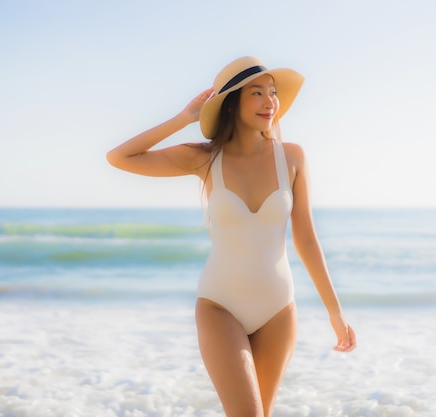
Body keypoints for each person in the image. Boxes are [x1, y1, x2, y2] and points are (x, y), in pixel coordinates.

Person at [106, 56, 356, 417]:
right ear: (231, 103)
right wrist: (184, 118)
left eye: (273, 93)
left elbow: (307, 240)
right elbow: (120, 157)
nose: (270, 102)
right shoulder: (204, 159)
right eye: (257, 93)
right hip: (219, 307)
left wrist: (336, 314)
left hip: (279, 311)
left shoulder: (293, 157)